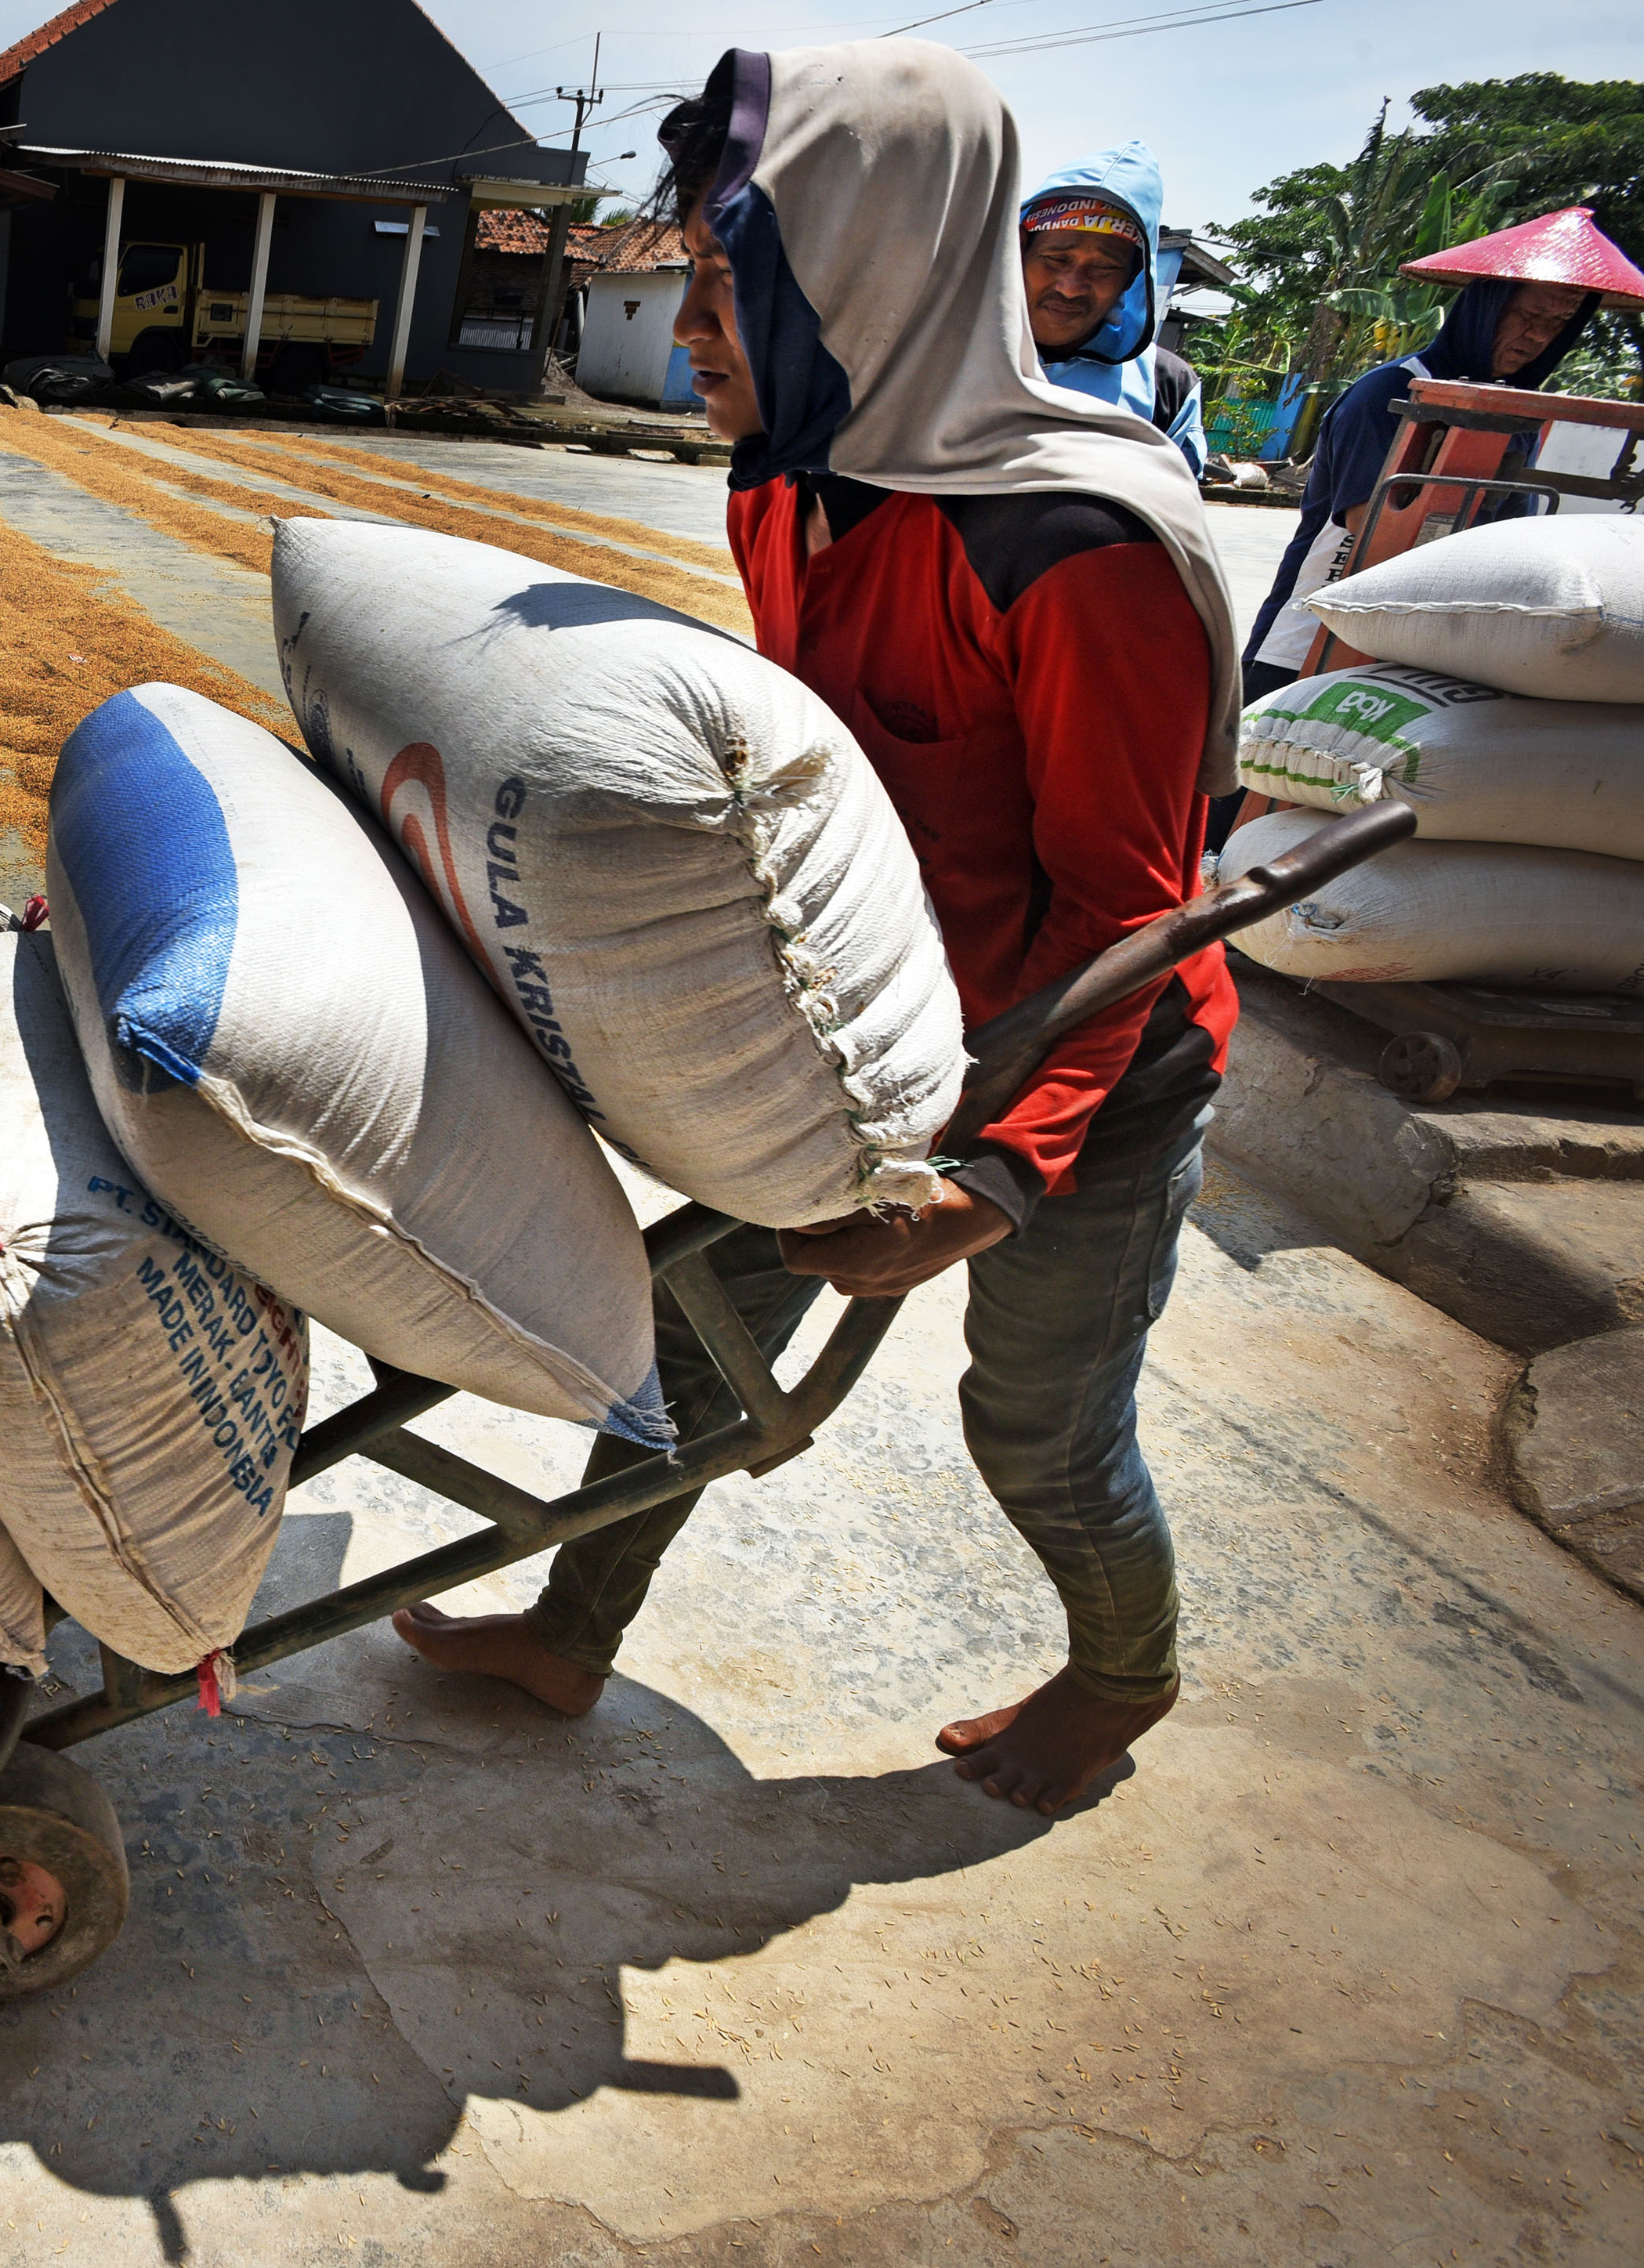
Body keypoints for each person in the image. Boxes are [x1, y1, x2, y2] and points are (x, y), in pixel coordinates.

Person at [394, 39, 1245, 1819]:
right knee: (689, 1336)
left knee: (1037, 1426)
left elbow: (1132, 914)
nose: (694, 328)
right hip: (878, 1021)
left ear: (858, 287)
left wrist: (994, 1179)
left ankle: (1119, 1675)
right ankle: (570, 1636)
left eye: (726, 282)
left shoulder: (1082, 551)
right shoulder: (788, 477)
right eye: (699, 279)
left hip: (1085, 1060)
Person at [1237, 209, 1628, 707]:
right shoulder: (1392, 394)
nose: (1536, 338)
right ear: (1485, 308)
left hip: (1431, 643)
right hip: (1316, 627)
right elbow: (1375, 528)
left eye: (1556, 326)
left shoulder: (1514, 413)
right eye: (1526, 317)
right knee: (1262, 771)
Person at [1020, 142, 1205, 474]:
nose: (1070, 287)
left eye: (1103, 268)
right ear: (1018, 253)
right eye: (1055, 259)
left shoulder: (1166, 388)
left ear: (1133, 277)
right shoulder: (944, 350)